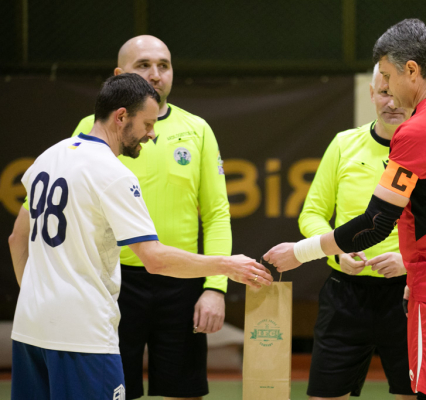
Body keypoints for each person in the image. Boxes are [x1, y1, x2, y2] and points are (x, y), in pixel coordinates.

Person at [264, 19, 426, 400]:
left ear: (412, 70)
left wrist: (300, 252)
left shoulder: (419, 128)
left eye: (388, 77)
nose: (387, 89)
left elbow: (374, 223)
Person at [8, 73, 272, 400]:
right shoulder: (114, 173)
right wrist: (227, 265)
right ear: (121, 117)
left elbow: (17, 240)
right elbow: (155, 259)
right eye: (147, 124)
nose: (152, 133)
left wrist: (36, 299)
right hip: (83, 334)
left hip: (29, 328)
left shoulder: (50, 156)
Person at [71, 35, 231, 400]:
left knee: (184, 392)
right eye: (143, 65)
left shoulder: (198, 129)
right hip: (113, 282)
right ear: (119, 75)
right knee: (111, 391)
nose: (156, 74)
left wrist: (214, 288)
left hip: (181, 281)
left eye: (164, 65)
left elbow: (217, 215)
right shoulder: (92, 128)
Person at [298, 63, 415, 400]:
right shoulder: (344, 144)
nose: (391, 103)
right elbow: (312, 214)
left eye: (398, 94)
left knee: (415, 394)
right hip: (345, 296)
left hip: (409, 294)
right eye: (384, 93)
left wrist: (409, 260)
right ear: (371, 94)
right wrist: (337, 251)